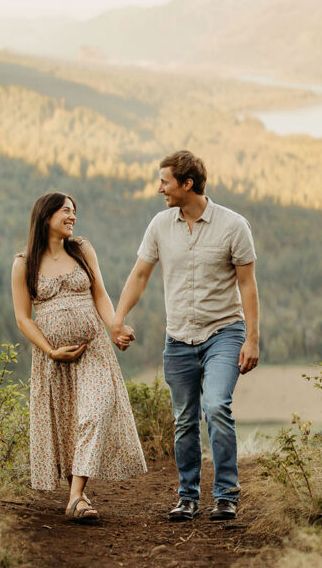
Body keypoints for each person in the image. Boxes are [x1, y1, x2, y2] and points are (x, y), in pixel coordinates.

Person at [110, 151, 259, 522]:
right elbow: (141, 274)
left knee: (216, 407)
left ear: (187, 183)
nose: (160, 188)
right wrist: (118, 317)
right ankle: (188, 497)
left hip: (224, 332)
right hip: (178, 339)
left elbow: (247, 285)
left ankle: (226, 495)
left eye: (165, 181)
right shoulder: (160, 225)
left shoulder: (233, 225)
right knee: (184, 419)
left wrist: (252, 339)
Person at [11, 192, 147, 522]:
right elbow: (23, 317)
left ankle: (75, 497)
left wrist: (115, 327)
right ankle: (79, 495)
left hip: (93, 349)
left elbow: (99, 293)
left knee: (94, 411)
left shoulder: (82, 250)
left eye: (75, 212)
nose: (73, 217)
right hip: (52, 359)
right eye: (66, 212)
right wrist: (50, 349)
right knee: (70, 423)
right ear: (46, 217)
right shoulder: (24, 263)